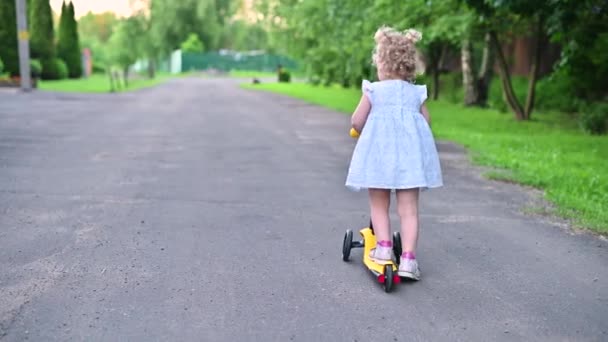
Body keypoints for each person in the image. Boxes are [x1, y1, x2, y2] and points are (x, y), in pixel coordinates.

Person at [345, 26, 443, 280]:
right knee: (409, 210)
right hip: (409, 162)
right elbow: (426, 122)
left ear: (382, 64)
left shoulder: (373, 91)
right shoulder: (416, 93)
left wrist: (359, 128)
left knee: (379, 205)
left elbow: (357, 120)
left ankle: (384, 249)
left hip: (379, 159)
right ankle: (409, 260)